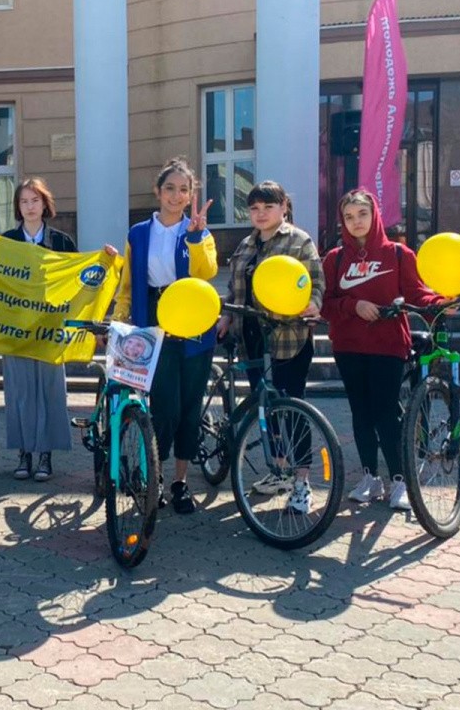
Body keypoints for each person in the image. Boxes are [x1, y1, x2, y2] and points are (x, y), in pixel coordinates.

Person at [322, 189, 449, 510]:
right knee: (361, 414)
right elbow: (325, 304)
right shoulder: (335, 259)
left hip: (388, 346)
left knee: (385, 414)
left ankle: (399, 481)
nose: (356, 222)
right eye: (349, 217)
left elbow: (418, 294)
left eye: (362, 214)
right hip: (348, 347)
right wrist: (354, 305)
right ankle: (370, 478)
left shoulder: (398, 254)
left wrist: (441, 303)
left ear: (375, 215)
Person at [111, 157, 217, 513]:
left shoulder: (198, 230)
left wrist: (197, 237)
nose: (176, 196)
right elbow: (128, 282)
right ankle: (152, 474)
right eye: (169, 188)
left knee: (190, 407)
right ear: (157, 191)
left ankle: (180, 481)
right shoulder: (139, 232)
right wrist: (120, 318)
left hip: (194, 319)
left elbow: (207, 272)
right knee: (164, 406)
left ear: (191, 195)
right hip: (155, 320)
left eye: (184, 190)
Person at [217, 180, 324, 512]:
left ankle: (302, 482)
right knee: (266, 409)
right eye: (254, 208)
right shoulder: (246, 245)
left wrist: (314, 303)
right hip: (252, 338)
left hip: (288, 336)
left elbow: (315, 281)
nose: (261, 213)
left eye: (268, 206)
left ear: (284, 207)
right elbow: (236, 290)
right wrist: (226, 316)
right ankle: (279, 470)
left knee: (293, 410)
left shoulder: (299, 240)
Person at [1, 177, 76, 482]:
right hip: (17, 330)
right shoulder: (6, 242)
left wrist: (104, 261)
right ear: (17, 207)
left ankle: (45, 454)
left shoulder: (62, 242)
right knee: (19, 391)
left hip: (50, 330)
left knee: (49, 391)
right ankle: (24, 453)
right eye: (24, 201)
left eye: (35, 200)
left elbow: (78, 280)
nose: (30, 207)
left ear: (45, 204)